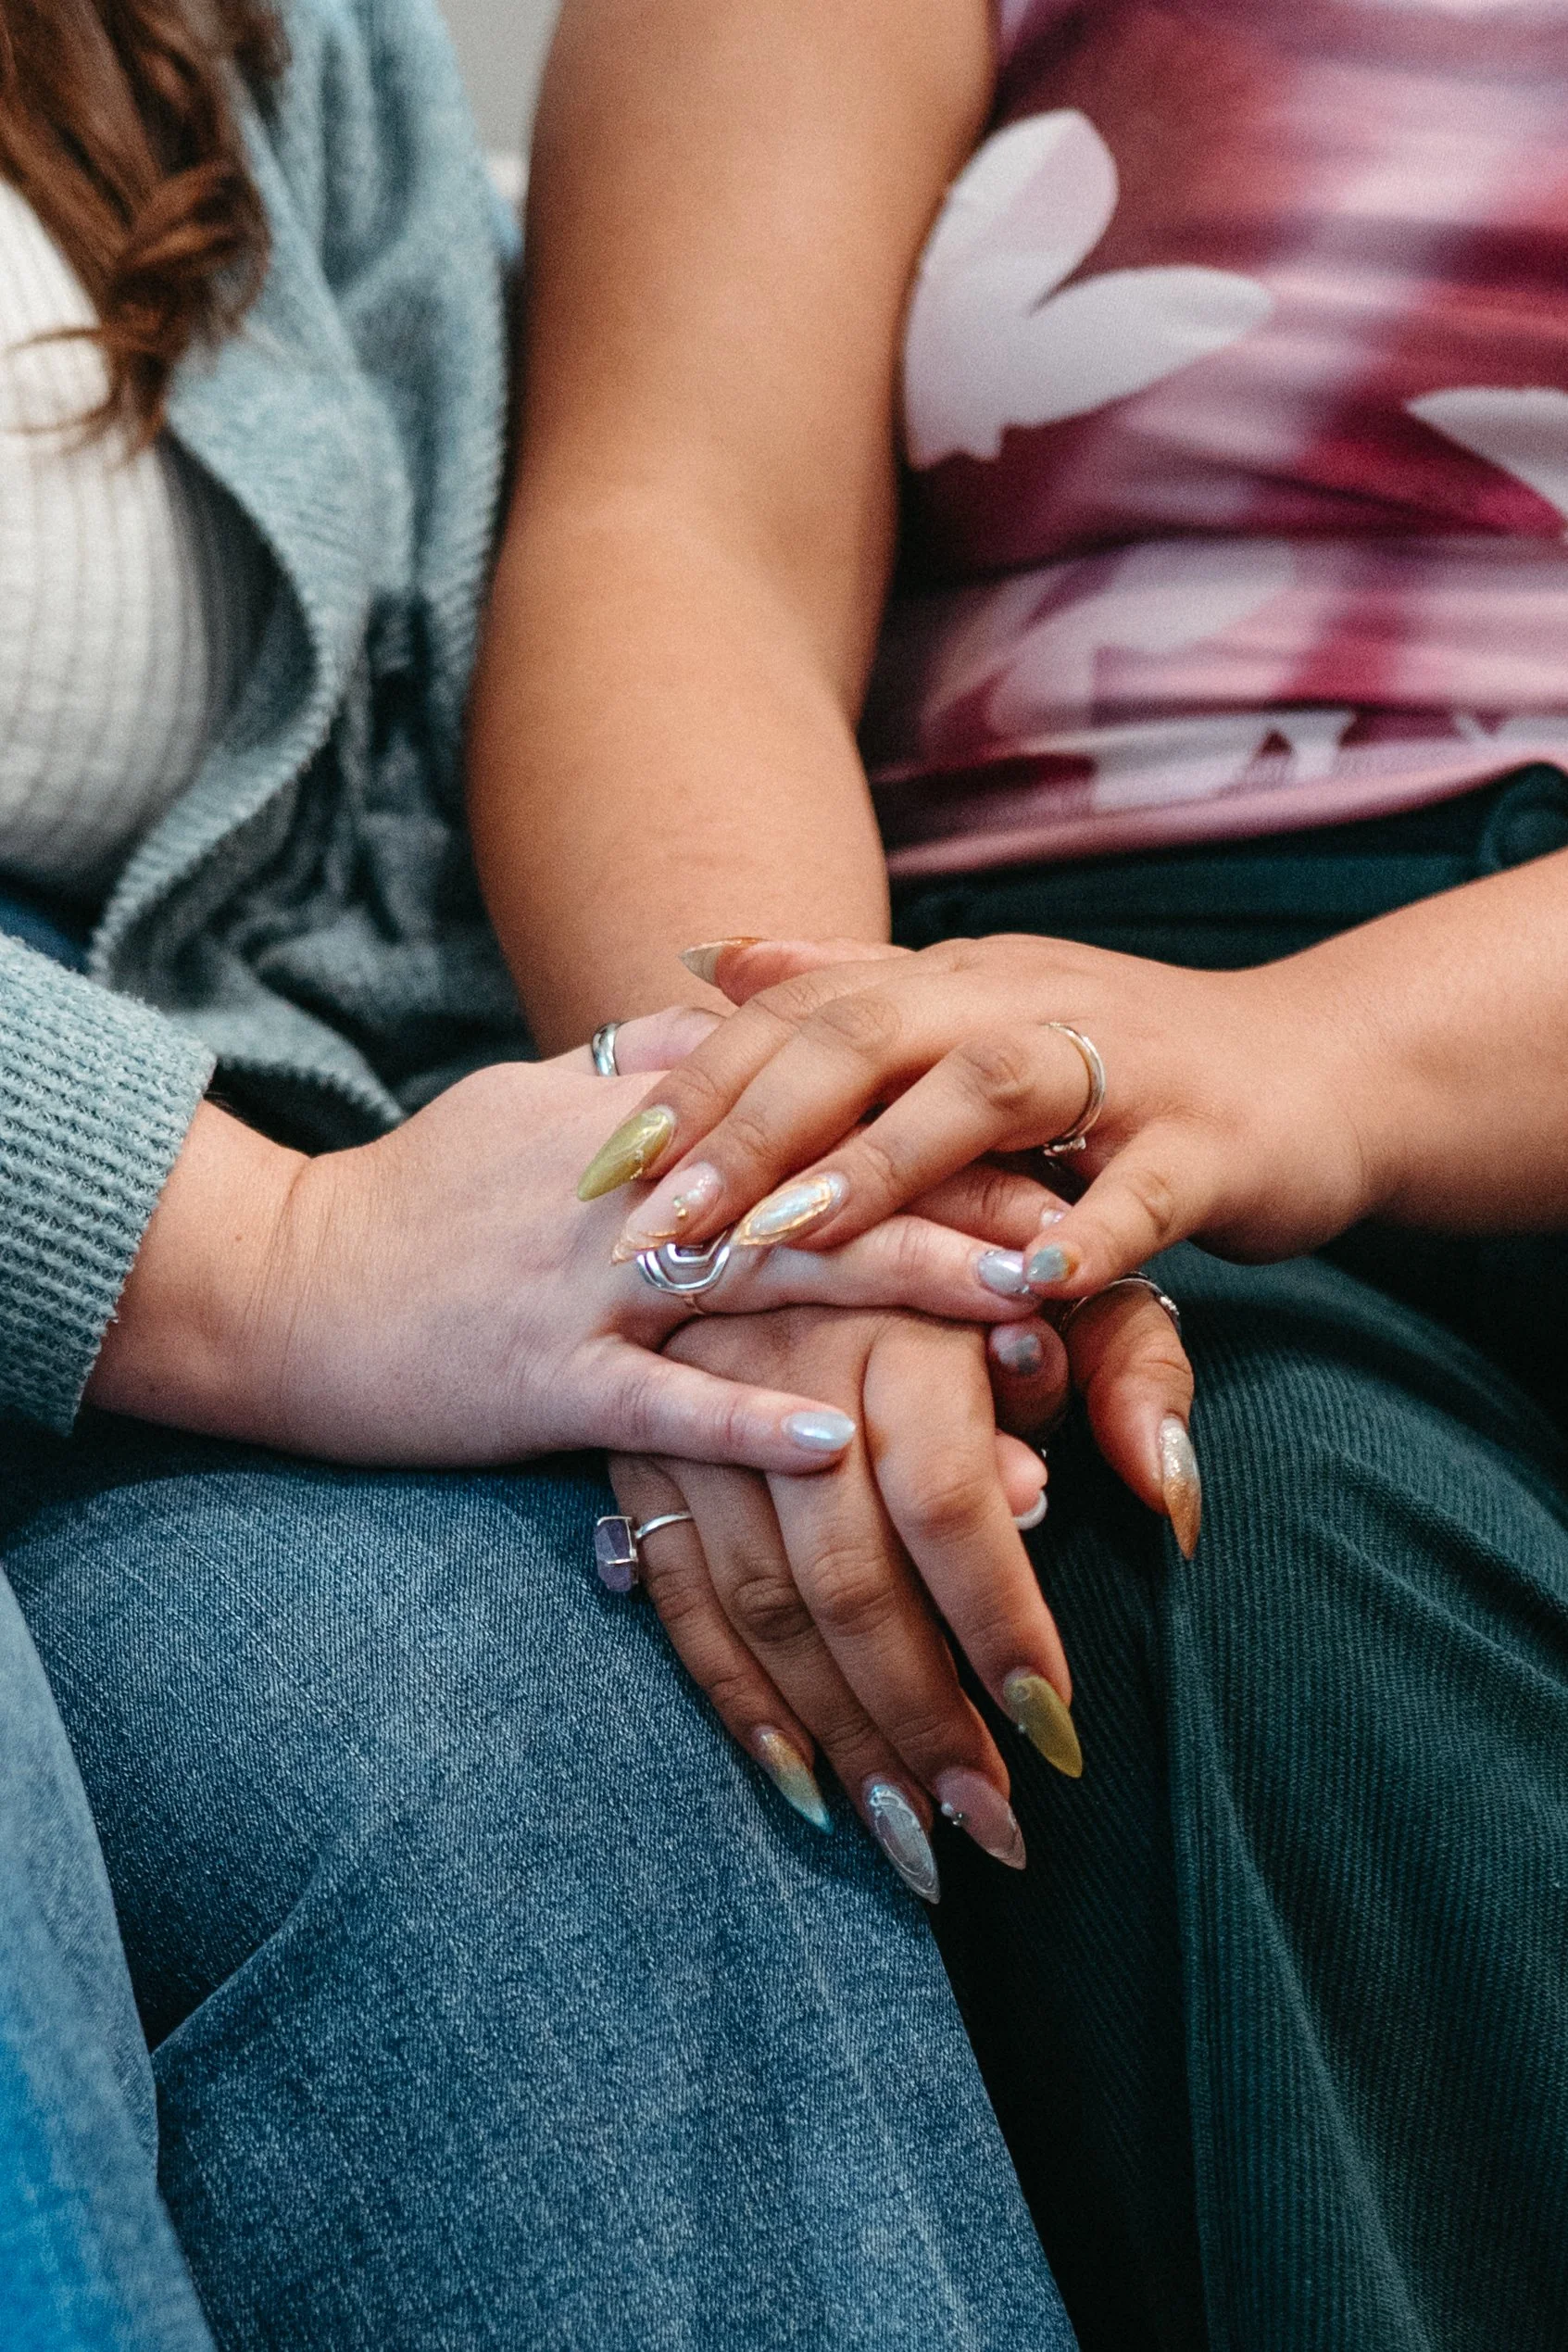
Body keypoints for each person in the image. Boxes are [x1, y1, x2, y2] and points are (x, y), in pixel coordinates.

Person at [0, 0, 1201, 2340]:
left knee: (545, 1685)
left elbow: (439, 737)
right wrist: (256, 1249)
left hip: (222, 1319)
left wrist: (811, 1211)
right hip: (184, 1254)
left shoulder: (234, 47)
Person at [474, 1, 1568, 2346]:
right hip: (1054, 1019)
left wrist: (1334, 1053)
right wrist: (801, 1169)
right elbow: (677, 533)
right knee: (1144, 1556)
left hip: (1344, 1032)